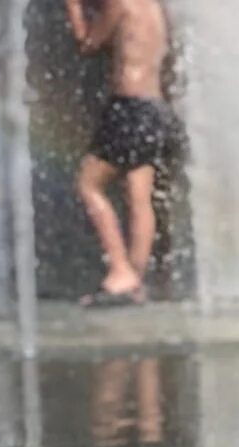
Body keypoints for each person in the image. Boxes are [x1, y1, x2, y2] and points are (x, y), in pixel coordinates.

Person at [66, 0, 180, 307]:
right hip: (156, 109)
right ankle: (135, 282)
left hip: (129, 108)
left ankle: (119, 270)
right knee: (140, 199)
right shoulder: (154, 7)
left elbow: (88, 43)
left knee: (88, 185)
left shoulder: (120, 2)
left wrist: (74, 7)